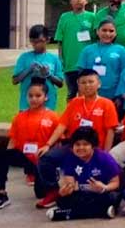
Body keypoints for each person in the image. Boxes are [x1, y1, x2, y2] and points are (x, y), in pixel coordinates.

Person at [37, 69, 119, 208]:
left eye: (91, 82)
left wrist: (106, 152)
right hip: (74, 146)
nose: (87, 85)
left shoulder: (106, 104)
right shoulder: (74, 103)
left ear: (98, 83)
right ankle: (54, 191)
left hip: (95, 148)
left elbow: (110, 130)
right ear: (78, 85)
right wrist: (48, 144)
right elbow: (62, 125)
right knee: (46, 158)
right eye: (83, 82)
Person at [0, 80, 58, 210]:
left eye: (38, 96)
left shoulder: (53, 117)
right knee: (0, 156)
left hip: (42, 159)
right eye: (30, 96)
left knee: (40, 193)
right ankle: (1, 194)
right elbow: (13, 140)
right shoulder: (19, 117)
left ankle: (49, 181)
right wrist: (6, 159)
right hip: (24, 156)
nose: (34, 99)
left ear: (46, 97)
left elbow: (58, 143)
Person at [45, 127, 121, 221]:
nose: (81, 148)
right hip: (84, 194)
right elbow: (70, 184)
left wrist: (103, 188)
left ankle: (67, 214)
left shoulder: (105, 158)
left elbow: (116, 183)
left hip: (104, 192)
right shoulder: (70, 159)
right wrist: (64, 191)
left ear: (93, 146)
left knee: (112, 198)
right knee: (62, 200)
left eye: (85, 144)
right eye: (77, 144)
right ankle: (102, 212)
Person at [54, 0, 96, 100]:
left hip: (88, 63)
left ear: (86, 1)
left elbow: (97, 38)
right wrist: (61, 59)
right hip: (70, 63)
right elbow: (60, 40)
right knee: (72, 93)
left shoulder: (92, 17)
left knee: (88, 93)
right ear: (71, 1)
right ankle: (71, 116)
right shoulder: (65, 17)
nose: (79, 0)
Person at [76, 16, 125, 102]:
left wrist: (119, 95)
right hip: (91, 94)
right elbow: (81, 73)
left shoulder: (121, 50)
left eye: (111, 31)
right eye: (104, 30)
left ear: (116, 33)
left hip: (113, 95)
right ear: (97, 31)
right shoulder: (87, 50)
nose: (107, 34)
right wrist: (81, 92)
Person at [13, 24, 64, 112]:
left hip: (48, 104)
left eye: (40, 41)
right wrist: (29, 70)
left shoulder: (54, 59)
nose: (36, 45)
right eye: (33, 42)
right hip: (26, 104)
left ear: (47, 40)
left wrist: (48, 74)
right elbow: (15, 80)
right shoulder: (24, 57)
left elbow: (60, 83)